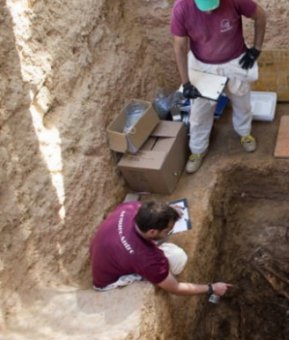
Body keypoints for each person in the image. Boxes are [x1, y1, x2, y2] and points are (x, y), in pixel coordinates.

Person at [171, 0, 268, 173]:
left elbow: (260, 16)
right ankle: (197, 150)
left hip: (235, 61)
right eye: (204, 9)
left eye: (213, 7)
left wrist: (256, 49)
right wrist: (186, 83)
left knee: (242, 101)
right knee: (200, 112)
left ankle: (244, 133)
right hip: (202, 65)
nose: (209, 13)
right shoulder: (182, 7)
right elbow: (179, 46)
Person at [90, 200, 231, 298]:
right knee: (177, 257)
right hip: (108, 282)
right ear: (152, 232)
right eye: (167, 231)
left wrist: (169, 213)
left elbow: (108, 216)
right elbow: (175, 288)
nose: (169, 233)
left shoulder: (130, 209)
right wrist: (212, 288)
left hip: (104, 254)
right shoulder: (148, 259)